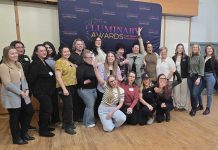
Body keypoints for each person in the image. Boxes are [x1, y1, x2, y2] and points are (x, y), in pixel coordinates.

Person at [0, 46, 34, 144]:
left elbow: (23, 79)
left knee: (29, 111)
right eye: (12, 53)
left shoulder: (18, 64)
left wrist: (26, 89)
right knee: (15, 117)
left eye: (16, 53)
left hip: (23, 92)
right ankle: (16, 138)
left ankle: (23, 133)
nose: (15, 55)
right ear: (7, 55)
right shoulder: (3, 66)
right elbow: (7, 83)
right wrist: (20, 93)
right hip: (12, 95)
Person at [28, 44, 56, 137]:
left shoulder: (43, 62)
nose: (44, 52)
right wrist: (30, 92)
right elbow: (31, 79)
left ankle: (44, 126)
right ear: (36, 52)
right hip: (40, 92)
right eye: (41, 51)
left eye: (45, 50)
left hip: (47, 91)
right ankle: (43, 131)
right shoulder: (35, 64)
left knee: (46, 109)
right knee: (47, 109)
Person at [10, 40, 36, 130]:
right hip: (15, 90)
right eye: (18, 47)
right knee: (17, 112)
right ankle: (18, 132)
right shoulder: (7, 61)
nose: (21, 49)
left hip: (26, 88)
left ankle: (25, 127)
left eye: (22, 47)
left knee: (28, 110)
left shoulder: (26, 57)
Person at [93, 63, 126, 131]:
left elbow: (120, 104)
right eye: (111, 82)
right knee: (108, 129)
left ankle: (111, 122)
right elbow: (99, 77)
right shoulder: (106, 87)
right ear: (109, 83)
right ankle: (108, 123)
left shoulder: (121, 90)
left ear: (116, 80)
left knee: (123, 118)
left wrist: (111, 112)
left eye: (114, 80)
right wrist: (95, 68)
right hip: (103, 109)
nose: (113, 82)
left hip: (113, 108)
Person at [55, 46, 77, 135]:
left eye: (68, 51)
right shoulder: (59, 62)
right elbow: (58, 77)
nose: (67, 53)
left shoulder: (68, 61)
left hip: (72, 86)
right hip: (64, 87)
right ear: (61, 53)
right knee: (69, 106)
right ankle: (68, 126)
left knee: (67, 106)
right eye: (65, 51)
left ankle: (65, 123)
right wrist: (64, 89)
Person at [95, 51, 122, 117]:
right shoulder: (101, 66)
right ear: (106, 58)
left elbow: (119, 78)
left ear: (114, 58)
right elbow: (101, 80)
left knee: (111, 105)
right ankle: (101, 118)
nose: (110, 58)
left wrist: (120, 79)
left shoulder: (117, 67)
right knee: (103, 106)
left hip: (113, 90)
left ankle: (110, 116)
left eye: (112, 56)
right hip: (102, 90)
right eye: (108, 56)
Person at [76, 50, 97, 127]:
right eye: (88, 57)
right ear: (84, 58)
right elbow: (80, 81)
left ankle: (86, 121)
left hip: (93, 89)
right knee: (90, 105)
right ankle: (88, 123)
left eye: (91, 57)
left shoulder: (93, 66)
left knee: (90, 106)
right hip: (84, 90)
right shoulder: (80, 67)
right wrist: (90, 80)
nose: (90, 59)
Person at [43, 41, 61, 125]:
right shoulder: (42, 59)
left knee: (55, 102)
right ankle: (47, 122)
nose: (48, 49)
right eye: (46, 48)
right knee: (47, 104)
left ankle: (56, 120)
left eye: (50, 47)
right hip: (46, 84)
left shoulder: (56, 57)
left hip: (56, 83)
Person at [69, 38, 86, 122]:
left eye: (81, 44)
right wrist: (72, 65)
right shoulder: (71, 55)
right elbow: (67, 65)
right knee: (76, 100)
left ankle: (83, 116)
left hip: (85, 80)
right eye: (78, 44)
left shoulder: (85, 54)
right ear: (75, 45)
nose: (80, 46)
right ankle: (76, 117)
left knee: (83, 99)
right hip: (75, 80)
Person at [187, 44, 205, 116]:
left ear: (198, 49)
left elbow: (201, 68)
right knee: (192, 93)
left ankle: (195, 108)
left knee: (194, 94)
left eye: (196, 47)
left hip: (197, 77)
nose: (194, 48)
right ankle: (193, 108)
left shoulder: (200, 57)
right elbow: (189, 67)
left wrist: (199, 78)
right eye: (193, 47)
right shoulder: (191, 57)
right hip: (190, 77)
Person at [200, 44, 218, 115]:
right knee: (197, 91)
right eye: (208, 48)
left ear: (213, 50)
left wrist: (215, 78)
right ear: (206, 50)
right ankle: (201, 105)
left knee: (209, 94)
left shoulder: (215, 59)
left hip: (210, 76)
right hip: (202, 76)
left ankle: (208, 108)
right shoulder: (203, 57)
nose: (209, 50)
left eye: (211, 49)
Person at [172, 43, 190, 111]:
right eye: (178, 48)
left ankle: (182, 106)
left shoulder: (187, 57)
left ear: (183, 49)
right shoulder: (173, 57)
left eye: (181, 48)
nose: (180, 49)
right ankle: (177, 105)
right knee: (176, 92)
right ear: (176, 49)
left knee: (183, 92)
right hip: (176, 78)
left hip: (184, 78)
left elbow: (189, 68)